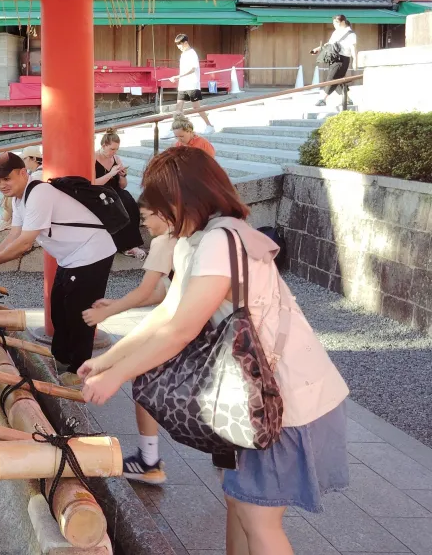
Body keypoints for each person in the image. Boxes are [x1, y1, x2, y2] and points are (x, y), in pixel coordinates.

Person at [80, 148, 349, 553]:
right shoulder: (204, 239)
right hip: (253, 389)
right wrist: (107, 359)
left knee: (260, 519)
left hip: (279, 396)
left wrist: (117, 375)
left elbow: (180, 330)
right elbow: (165, 315)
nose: (148, 219)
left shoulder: (219, 241)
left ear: (179, 199)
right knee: (240, 503)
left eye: (154, 208)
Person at [0, 152, 116, 386]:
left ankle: (79, 368)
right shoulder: (20, 198)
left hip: (92, 252)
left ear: (23, 173)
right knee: (59, 309)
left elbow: (24, 243)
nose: (2, 185)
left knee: (79, 313)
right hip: (70, 257)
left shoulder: (39, 193)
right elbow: (14, 234)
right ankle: (60, 359)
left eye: (6, 179)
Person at [81, 208, 176, 484]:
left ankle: (149, 461)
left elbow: (151, 292)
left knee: (145, 377)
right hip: (218, 330)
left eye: (148, 215)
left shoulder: (167, 240)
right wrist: (117, 305)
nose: (143, 222)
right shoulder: (195, 236)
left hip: (205, 332)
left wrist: (109, 314)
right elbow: (166, 292)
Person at [93, 129, 145, 260]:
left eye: (116, 149)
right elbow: (93, 183)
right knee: (117, 207)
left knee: (130, 203)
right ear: (103, 145)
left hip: (115, 190)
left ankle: (132, 243)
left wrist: (122, 176)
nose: (114, 152)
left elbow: (123, 185)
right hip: (100, 192)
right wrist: (111, 173)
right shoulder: (93, 158)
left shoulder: (116, 158)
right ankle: (124, 245)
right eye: (111, 149)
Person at [164, 35, 214, 137]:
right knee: (179, 107)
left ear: (185, 43)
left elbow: (192, 69)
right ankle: (173, 129)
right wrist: (178, 78)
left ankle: (209, 126)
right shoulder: (183, 54)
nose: (179, 47)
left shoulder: (192, 54)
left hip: (192, 84)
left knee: (196, 107)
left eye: (180, 45)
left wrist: (177, 76)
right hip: (183, 84)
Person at [0, 145, 41, 233]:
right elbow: (15, 234)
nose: (1, 186)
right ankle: (5, 217)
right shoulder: (33, 173)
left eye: (24, 158)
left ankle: (6, 218)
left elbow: (26, 241)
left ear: (33, 159)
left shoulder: (37, 178)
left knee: (13, 190)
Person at [311, 14, 357, 108]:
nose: (334, 25)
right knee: (338, 80)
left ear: (342, 22)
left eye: (336, 23)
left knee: (332, 78)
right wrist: (318, 49)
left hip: (343, 59)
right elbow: (329, 44)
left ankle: (323, 99)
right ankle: (348, 100)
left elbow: (353, 48)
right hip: (334, 57)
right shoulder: (336, 32)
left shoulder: (351, 34)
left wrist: (355, 60)